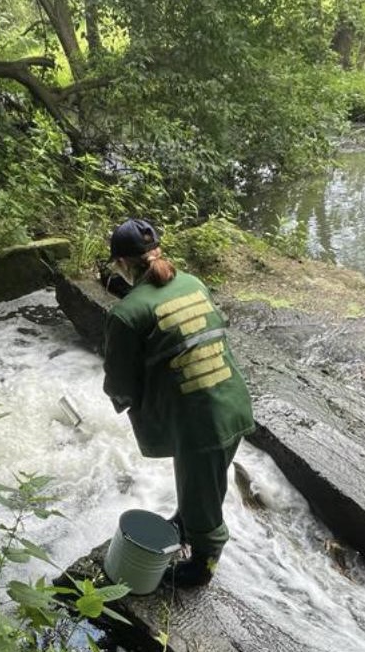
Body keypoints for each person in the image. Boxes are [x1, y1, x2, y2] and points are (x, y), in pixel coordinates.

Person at [102, 218, 255, 587]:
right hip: (234, 402)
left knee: (201, 489)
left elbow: (120, 384)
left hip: (198, 421)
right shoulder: (192, 283)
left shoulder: (128, 312)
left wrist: (128, 400)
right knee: (205, 479)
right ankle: (186, 520)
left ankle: (204, 562)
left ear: (121, 264)